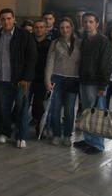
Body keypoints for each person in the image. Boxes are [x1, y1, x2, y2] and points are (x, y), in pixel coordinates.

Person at [0, 8, 37, 148]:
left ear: (14, 19)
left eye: (8, 18)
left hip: (20, 80)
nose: (6, 21)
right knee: (5, 108)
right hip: (2, 78)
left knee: (21, 107)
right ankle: (5, 132)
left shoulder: (24, 35)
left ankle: (21, 136)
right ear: (0, 21)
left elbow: (31, 58)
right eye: (3, 19)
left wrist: (26, 78)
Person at [74, 12, 112, 154]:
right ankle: (88, 140)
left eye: (90, 21)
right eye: (85, 22)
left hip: (96, 83)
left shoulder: (103, 41)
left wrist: (102, 86)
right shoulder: (84, 40)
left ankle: (97, 144)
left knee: (96, 114)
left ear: (96, 24)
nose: (87, 24)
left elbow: (106, 65)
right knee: (86, 112)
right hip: (84, 80)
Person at [44, 18, 81, 147]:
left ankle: (67, 135)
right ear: (59, 29)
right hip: (57, 78)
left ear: (72, 28)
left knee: (69, 110)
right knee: (55, 108)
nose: (65, 30)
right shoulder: (55, 43)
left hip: (73, 79)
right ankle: (56, 134)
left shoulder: (79, 43)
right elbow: (50, 62)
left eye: (67, 27)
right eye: (62, 28)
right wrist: (47, 80)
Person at [29, 20, 51, 134]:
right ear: (33, 29)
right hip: (29, 77)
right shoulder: (29, 42)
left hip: (42, 78)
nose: (39, 29)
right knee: (24, 103)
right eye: (36, 27)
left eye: (41, 27)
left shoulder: (50, 44)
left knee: (39, 104)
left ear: (46, 29)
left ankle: (39, 128)